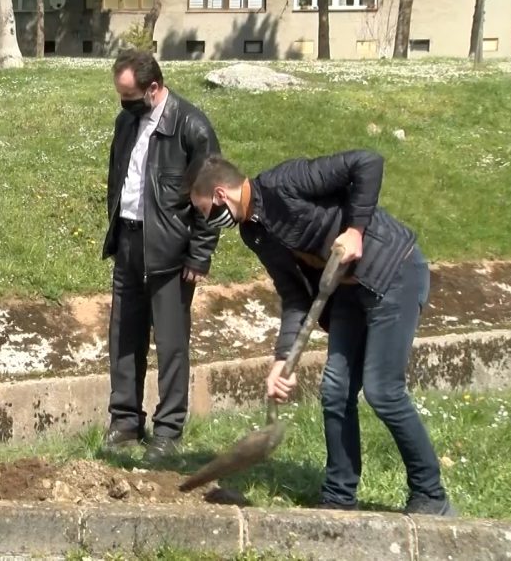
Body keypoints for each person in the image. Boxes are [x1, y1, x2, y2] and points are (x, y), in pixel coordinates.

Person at [187, 150, 456, 516]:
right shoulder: (254, 233)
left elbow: (368, 162)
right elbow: (296, 295)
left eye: (206, 212)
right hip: (346, 291)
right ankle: (339, 498)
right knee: (335, 389)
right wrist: (284, 359)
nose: (210, 221)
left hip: (393, 273)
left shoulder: (285, 183)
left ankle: (431, 495)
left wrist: (355, 231)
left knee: (382, 390)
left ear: (220, 195)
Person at [102, 49, 222, 463]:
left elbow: (213, 198)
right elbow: (120, 179)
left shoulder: (191, 126)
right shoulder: (125, 123)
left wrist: (199, 254)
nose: (124, 104)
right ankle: (124, 422)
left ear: (153, 89)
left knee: (171, 344)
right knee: (123, 337)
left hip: (171, 254)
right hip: (129, 243)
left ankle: (168, 431)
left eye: (130, 95)